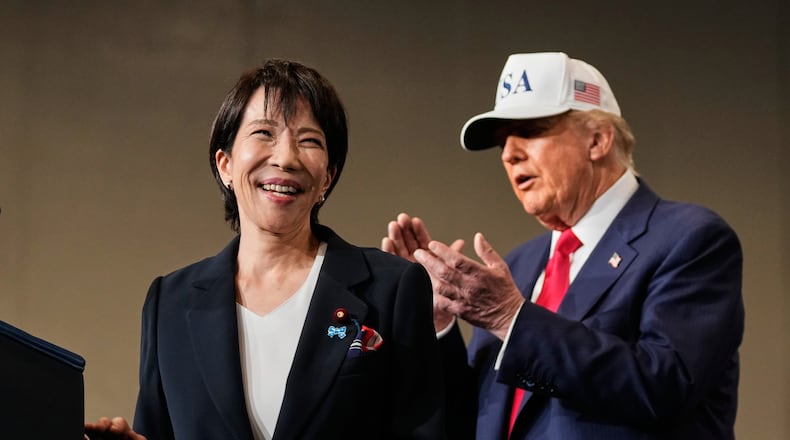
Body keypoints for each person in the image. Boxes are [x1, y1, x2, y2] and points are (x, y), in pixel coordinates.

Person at [382, 52, 744, 439]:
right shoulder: (518, 268)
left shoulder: (689, 239)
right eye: (503, 141)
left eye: (531, 130)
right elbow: (472, 420)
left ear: (597, 140)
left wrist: (511, 319)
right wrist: (435, 328)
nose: (509, 153)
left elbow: (665, 386)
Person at [85, 59, 445, 440]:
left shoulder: (391, 288)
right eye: (263, 133)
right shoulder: (170, 303)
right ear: (224, 164)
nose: (286, 158)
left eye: (309, 141)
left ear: (329, 176)